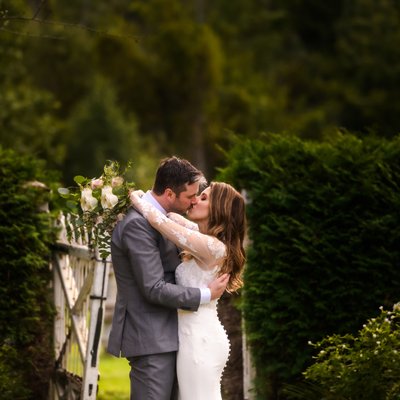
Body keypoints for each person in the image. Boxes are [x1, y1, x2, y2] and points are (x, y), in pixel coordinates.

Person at [107, 157, 230, 400]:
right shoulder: (137, 225)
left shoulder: (163, 221)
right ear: (171, 193)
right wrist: (205, 294)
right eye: (191, 196)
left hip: (175, 337)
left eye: (200, 196)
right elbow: (153, 287)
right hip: (151, 337)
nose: (194, 200)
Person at [129, 180, 247, 400]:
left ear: (218, 210)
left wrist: (132, 196)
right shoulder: (205, 237)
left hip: (199, 341)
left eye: (203, 198)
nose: (195, 200)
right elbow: (173, 218)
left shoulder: (213, 247)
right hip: (192, 336)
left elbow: (161, 222)